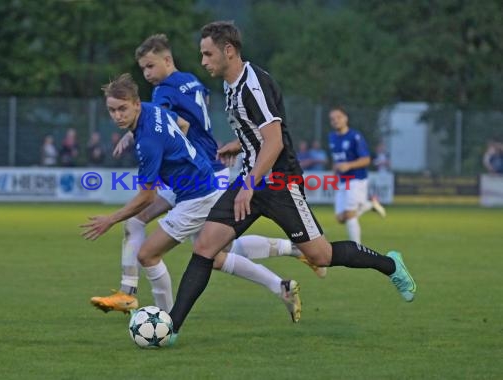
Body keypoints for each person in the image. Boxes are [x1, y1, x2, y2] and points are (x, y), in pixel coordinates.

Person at [167, 21, 417, 344]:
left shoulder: (253, 84)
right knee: (205, 247)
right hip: (252, 177)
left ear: (228, 51)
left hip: (278, 183)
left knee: (321, 255)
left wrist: (248, 185)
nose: (203, 61)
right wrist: (240, 143)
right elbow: (260, 135)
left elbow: (275, 144)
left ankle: (390, 264)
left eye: (207, 54)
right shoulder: (231, 84)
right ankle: (170, 328)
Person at [90, 34, 325, 320]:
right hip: (209, 166)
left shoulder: (163, 92)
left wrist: (174, 155)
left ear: (167, 60)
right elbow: (182, 121)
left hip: (200, 174)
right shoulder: (189, 79)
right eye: (143, 69)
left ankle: (140, 301)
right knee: (211, 249)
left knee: (206, 248)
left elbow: (175, 126)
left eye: (150, 66)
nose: (147, 74)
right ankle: (286, 274)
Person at [329, 106, 386, 243]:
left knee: (349, 215)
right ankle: (370, 205)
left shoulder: (355, 136)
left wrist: (348, 165)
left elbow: (366, 160)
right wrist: (335, 171)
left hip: (356, 179)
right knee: (340, 218)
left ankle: (357, 248)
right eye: (332, 119)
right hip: (343, 180)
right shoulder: (331, 137)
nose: (335, 121)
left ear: (345, 118)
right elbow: (337, 159)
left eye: (338, 117)